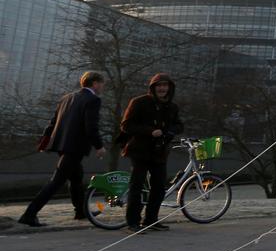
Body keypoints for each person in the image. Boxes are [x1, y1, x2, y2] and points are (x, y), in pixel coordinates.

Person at [19, 72, 106, 227]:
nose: (102, 87)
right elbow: (91, 126)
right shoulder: (93, 100)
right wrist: (99, 146)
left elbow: (53, 122)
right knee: (56, 181)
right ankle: (29, 214)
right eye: (101, 83)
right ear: (95, 83)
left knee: (76, 178)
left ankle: (81, 211)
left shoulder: (67, 98)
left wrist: (45, 140)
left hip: (61, 144)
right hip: (75, 146)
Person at [120, 73, 183, 232]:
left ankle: (151, 220)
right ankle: (132, 222)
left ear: (169, 88)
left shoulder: (172, 107)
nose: (162, 88)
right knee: (137, 186)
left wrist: (170, 131)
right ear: (153, 87)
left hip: (159, 152)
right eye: (159, 85)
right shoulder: (139, 102)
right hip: (140, 150)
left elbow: (179, 125)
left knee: (159, 187)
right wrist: (149, 131)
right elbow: (126, 125)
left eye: (165, 85)